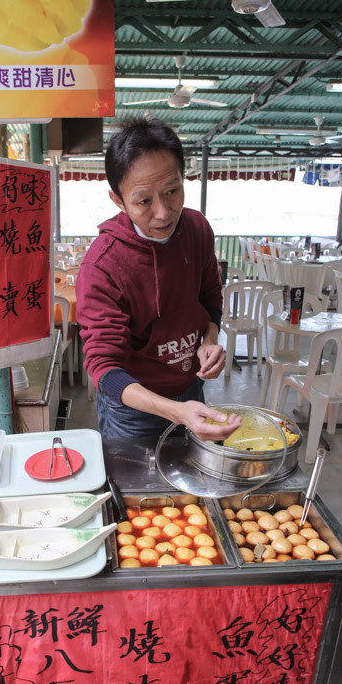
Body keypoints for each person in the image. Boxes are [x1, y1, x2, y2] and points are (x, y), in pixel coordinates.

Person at [76, 116, 241, 441]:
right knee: (138, 490)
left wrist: (209, 339)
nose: (164, 212)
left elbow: (210, 295)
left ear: (183, 178)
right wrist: (176, 412)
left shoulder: (196, 229)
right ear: (118, 199)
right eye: (144, 201)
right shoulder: (103, 265)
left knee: (189, 485)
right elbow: (104, 369)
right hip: (134, 409)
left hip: (190, 387)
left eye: (172, 191)